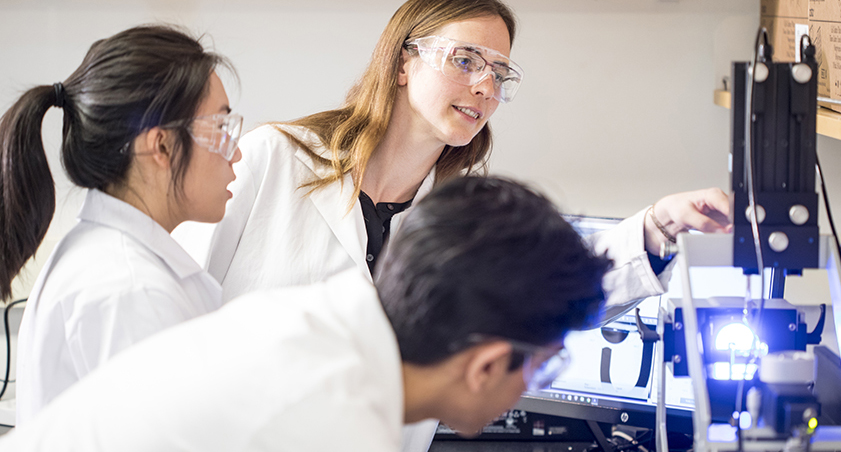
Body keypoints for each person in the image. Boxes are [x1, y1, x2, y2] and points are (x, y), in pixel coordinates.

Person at [174, 0, 730, 448]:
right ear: (401, 63)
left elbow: (546, 296)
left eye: (499, 72)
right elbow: (171, 311)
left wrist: (659, 226)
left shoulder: (453, 212)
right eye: (466, 61)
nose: (486, 88)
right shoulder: (276, 158)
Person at [0, 176, 611, 452]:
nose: (533, 389)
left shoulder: (317, 320)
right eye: (544, 368)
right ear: (483, 365)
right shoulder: (328, 422)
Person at [0, 25, 243, 423]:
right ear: (160, 146)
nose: (235, 153)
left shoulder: (108, 260)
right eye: (221, 129)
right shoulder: (130, 291)